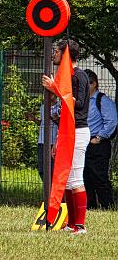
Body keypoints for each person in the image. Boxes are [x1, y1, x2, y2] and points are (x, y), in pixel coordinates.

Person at [41, 39, 90, 234]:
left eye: (56, 51)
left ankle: (80, 225)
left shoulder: (79, 76)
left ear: (66, 54)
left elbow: (76, 103)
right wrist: (57, 138)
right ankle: (71, 223)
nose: (53, 55)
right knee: (68, 180)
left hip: (78, 131)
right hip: (68, 131)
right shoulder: (69, 75)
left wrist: (55, 88)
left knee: (76, 179)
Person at [83, 69, 115, 210]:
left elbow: (112, 121)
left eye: (86, 84)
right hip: (84, 142)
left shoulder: (102, 100)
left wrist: (100, 137)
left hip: (97, 144)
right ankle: (90, 206)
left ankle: (107, 205)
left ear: (94, 84)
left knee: (99, 176)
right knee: (85, 177)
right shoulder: (82, 101)